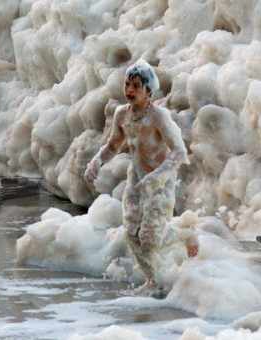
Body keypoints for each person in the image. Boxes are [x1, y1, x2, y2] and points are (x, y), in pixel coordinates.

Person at [84, 59, 189, 293]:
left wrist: (157, 177)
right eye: (127, 84)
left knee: (150, 237)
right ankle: (154, 281)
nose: (129, 90)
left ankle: (183, 237)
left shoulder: (159, 117)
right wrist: (96, 161)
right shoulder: (122, 115)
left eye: (136, 86)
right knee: (132, 235)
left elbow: (180, 153)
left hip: (160, 184)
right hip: (136, 182)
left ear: (148, 91)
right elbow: (113, 145)